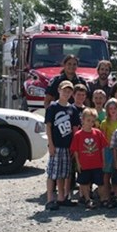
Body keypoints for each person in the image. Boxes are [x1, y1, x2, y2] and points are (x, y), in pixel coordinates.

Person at [44, 80, 80, 210]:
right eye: (64, 90)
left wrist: (74, 146)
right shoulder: (53, 107)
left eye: (69, 91)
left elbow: (75, 129)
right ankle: (49, 199)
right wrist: (51, 144)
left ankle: (61, 197)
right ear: (59, 90)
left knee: (64, 173)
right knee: (53, 173)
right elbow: (48, 127)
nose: (66, 93)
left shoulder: (73, 109)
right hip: (56, 145)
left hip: (68, 146)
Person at [70, 108, 109, 209]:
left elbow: (103, 148)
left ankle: (103, 199)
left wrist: (103, 161)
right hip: (84, 164)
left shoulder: (98, 133)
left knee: (100, 182)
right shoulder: (78, 134)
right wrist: (77, 164)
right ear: (82, 120)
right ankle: (87, 199)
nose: (90, 123)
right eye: (88, 120)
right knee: (84, 183)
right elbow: (75, 151)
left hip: (97, 163)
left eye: (92, 121)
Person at [100, 98, 117, 204]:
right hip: (108, 149)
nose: (113, 110)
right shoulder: (104, 123)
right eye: (110, 108)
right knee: (107, 172)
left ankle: (115, 193)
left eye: (115, 108)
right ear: (107, 110)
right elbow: (102, 139)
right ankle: (106, 193)